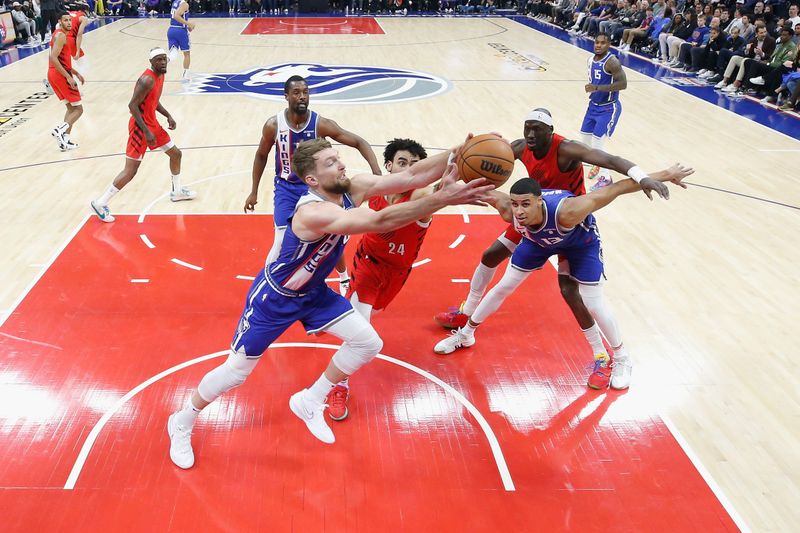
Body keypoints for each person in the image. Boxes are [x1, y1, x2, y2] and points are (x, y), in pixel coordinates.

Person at [165, 137, 494, 469]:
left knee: (368, 342)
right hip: (275, 298)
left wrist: (457, 152)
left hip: (314, 293)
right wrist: (441, 198)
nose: (341, 164)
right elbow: (380, 221)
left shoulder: (354, 186)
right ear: (312, 179)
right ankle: (182, 420)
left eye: (338, 158)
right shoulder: (312, 212)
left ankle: (311, 400)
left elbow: (410, 177)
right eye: (330, 162)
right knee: (235, 373)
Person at [433, 162, 694, 391]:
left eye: (526, 204)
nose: (519, 211)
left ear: (539, 201)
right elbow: (480, 191)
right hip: (539, 243)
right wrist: (446, 183)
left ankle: (621, 357)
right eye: (515, 204)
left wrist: (664, 174)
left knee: (592, 301)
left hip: (580, 244)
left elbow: (615, 189)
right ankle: (466, 334)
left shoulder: (569, 209)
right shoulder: (510, 211)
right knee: (504, 286)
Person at [434, 108, 665, 352]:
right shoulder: (521, 148)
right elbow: (487, 161)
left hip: (567, 221)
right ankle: (466, 315)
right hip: (533, 216)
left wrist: (641, 177)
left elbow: (610, 160)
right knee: (491, 256)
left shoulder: (567, 150)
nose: (531, 134)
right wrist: (454, 170)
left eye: (537, 129)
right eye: (528, 128)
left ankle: (605, 353)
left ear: (550, 131)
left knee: (570, 291)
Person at [245, 75, 382, 295]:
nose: (302, 97)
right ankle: (267, 286)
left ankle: (344, 278)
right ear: (286, 96)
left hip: (315, 190)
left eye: (305, 92)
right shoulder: (273, 125)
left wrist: (377, 174)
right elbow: (261, 155)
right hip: (286, 189)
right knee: (280, 240)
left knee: (332, 234)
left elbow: (359, 142)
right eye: (297, 92)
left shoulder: (320, 123)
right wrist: (253, 191)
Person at [325, 138, 430, 421]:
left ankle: (333, 312)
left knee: (366, 314)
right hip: (368, 264)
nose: (408, 168)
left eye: (415, 165)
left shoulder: (420, 197)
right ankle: (338, 386)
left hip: (397, 272)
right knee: (360, 332)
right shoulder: (374, 188)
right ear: (389, 166)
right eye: (402, 163)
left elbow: (434, 194)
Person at [90, 48, 194, 223]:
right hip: (140, 129)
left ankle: (176, 191)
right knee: (131, 171)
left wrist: (168, 115)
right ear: (151, 62)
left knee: (176, 154)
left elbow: (153, 100)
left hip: (152, 124)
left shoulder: (160, 76)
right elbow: (132, 105)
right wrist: (146, 130)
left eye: (164, 59)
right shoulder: (146, 79)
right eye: (159, 60)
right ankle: (100, 202)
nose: (162, 62)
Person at [581, 33, 627, 190]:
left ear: (609, 45)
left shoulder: (612, 62)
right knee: (585, 142)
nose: (598, 45)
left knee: (598, 142)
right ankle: (597, 163)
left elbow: (623, 84)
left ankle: (606, 178)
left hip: (608, 108)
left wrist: (597, 88)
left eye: (602, 43)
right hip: (593, 106)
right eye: (596, 42)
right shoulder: (590, 60)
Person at [47, 12, 84, 151]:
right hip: (60, 75)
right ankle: (60, 130)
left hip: (53, 73)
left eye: (70, 20)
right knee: (79, 109)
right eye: (65, 20)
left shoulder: (57, 33)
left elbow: (60, 59)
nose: (69, 23)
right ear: (59, 21)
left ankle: (65, 140)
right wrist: (68, 77)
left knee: (71, 108)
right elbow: (54, 58)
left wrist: (75, 72)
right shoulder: (61, 35)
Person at [167, 0, 194, 80]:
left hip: (171, 29)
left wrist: (186, 24)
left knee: (173, 54)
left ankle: (163, 60)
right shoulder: (185, 4)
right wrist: (189, 24)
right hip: (180, 31)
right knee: (187, 54)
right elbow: (177, 16)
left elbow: (178, 17)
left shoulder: (175, 2)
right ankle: (185, 75)